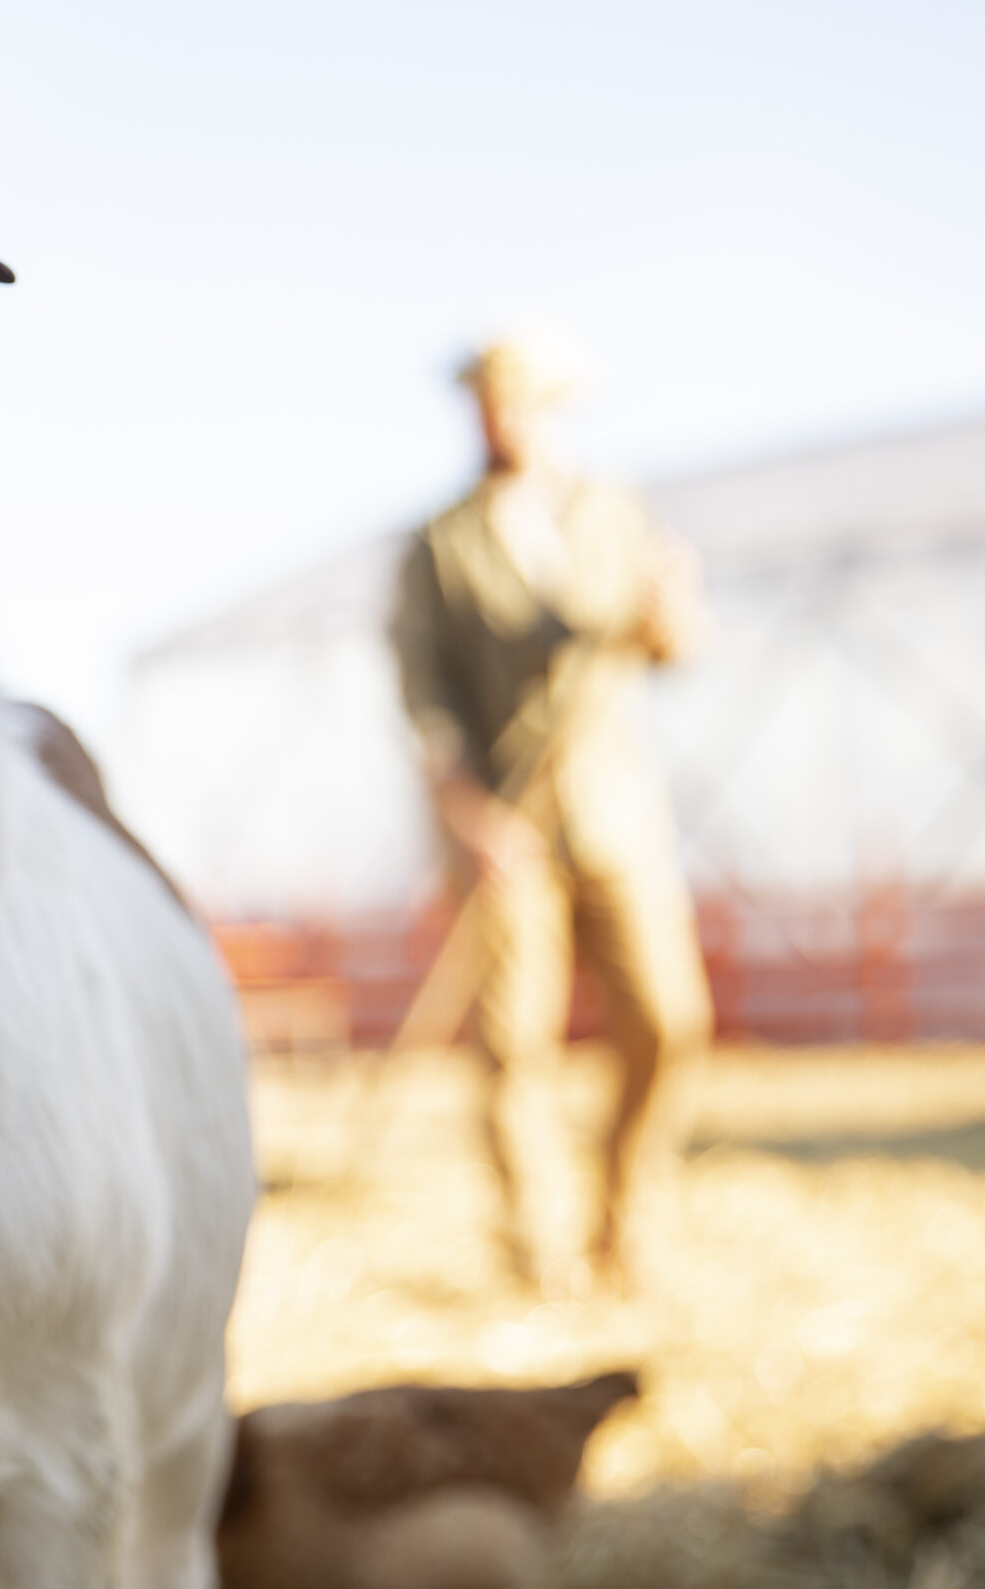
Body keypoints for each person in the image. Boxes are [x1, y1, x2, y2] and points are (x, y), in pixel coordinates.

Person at [388, 335, 712, 1295]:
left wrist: (670, 613)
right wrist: (469, 815)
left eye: (523, 398)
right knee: (515, 1045)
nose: (505, 415)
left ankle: (628, 1220)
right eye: (491, 399)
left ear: (555, 407)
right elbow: (426, 698)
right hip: (503, 826)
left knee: (667, 1019)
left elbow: (675, 645)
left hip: (614, 810)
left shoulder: (616, 515)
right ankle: (540, 1251)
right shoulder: (440, 545)